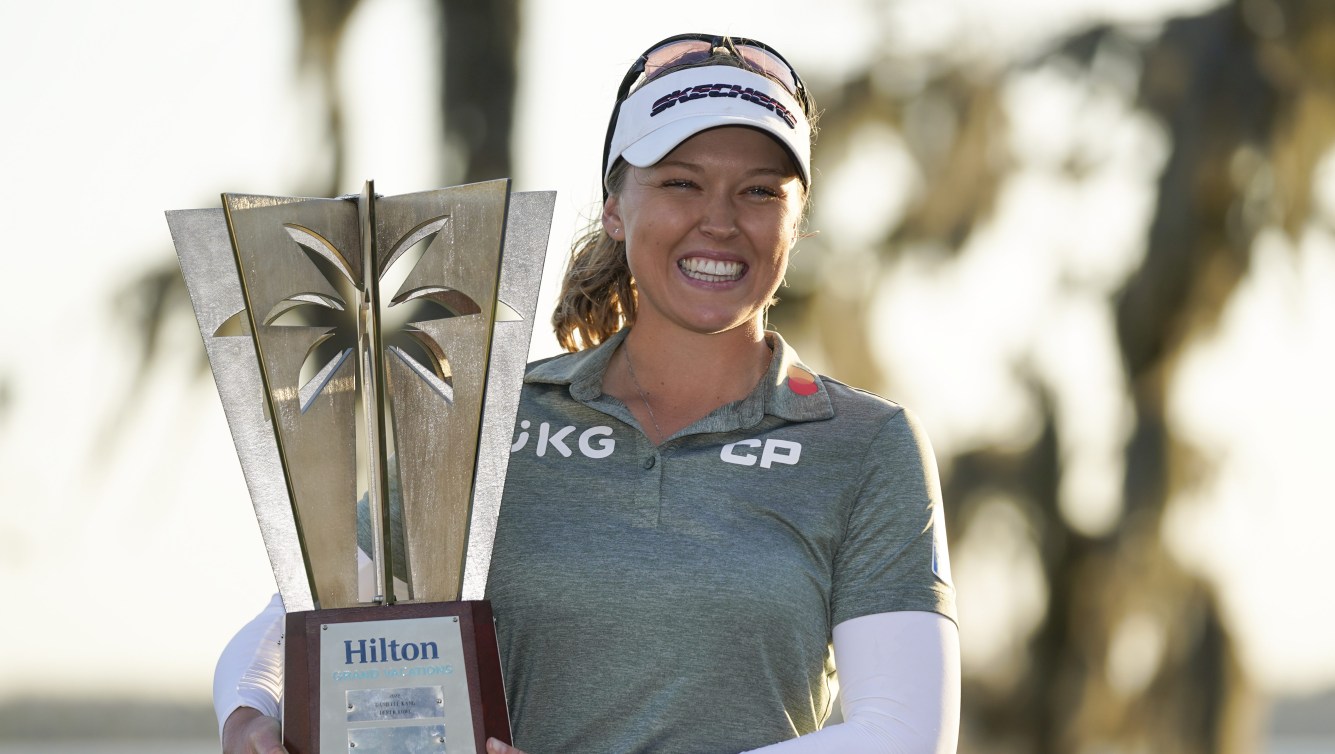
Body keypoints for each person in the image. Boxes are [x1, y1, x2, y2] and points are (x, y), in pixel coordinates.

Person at [216, 32, 960, 754]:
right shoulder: (483, 420)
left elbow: (903, 734)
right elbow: (298, 619)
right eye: (680, 182)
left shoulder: (865, 444)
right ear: (614, 207)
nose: (721, 220)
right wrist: (251, 714)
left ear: (796, 223)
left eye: (760, 191)